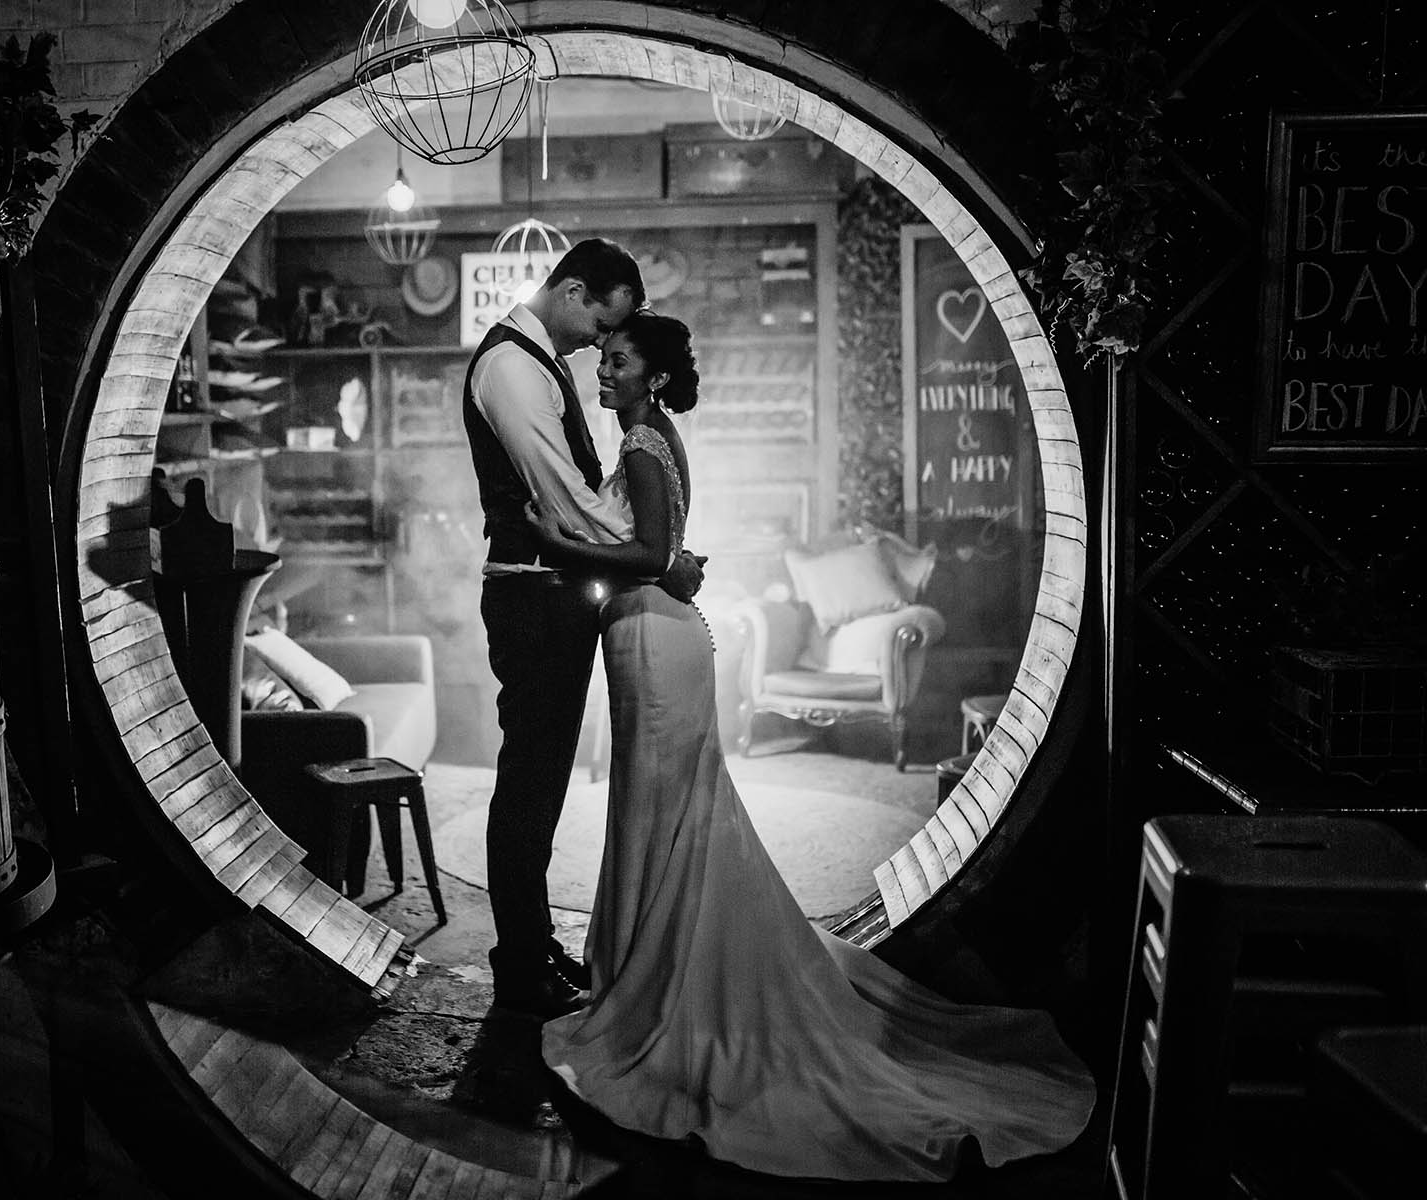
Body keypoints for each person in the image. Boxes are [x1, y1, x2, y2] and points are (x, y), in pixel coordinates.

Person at [527, 311, 1096, 1182]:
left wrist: (553, 538)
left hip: (654, 636)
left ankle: (661, 993)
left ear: (649, 374)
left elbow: (650, 550)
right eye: (602, 358)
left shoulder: (642, 443)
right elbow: (664, 550)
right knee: (671, 810)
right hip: (661, 634)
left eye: (615, 359)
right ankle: (653, 968)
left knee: (662, 808)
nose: (600, 370)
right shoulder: (655, 434)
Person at [462, 238, 705, 1020]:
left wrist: (650, 549)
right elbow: (560, 500)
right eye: (606, 323)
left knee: (544, 782)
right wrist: (655, 559)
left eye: (618, 339)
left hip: (554, 593)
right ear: (572, 290)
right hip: (532, 595)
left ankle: (531, 948)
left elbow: (589, 503)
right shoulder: (511, 367)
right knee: (529, 784)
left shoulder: (544, 368)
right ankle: (520, 965)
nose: (605, 344)